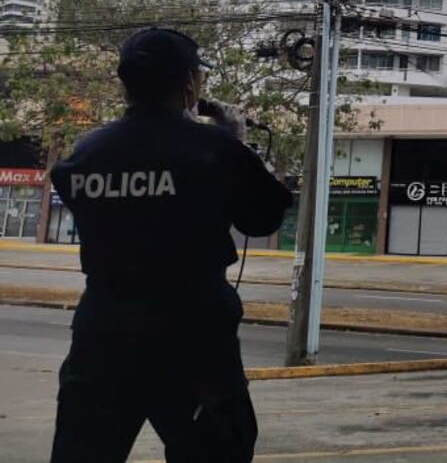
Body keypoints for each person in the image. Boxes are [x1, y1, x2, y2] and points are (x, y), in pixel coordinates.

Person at [50, 28, 293, 462]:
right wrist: (233, 141)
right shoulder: (213, 148)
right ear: (188, 85)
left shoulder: (86, 153)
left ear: (126, 87)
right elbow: (262, 218)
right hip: (192, 337)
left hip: (103, 334)